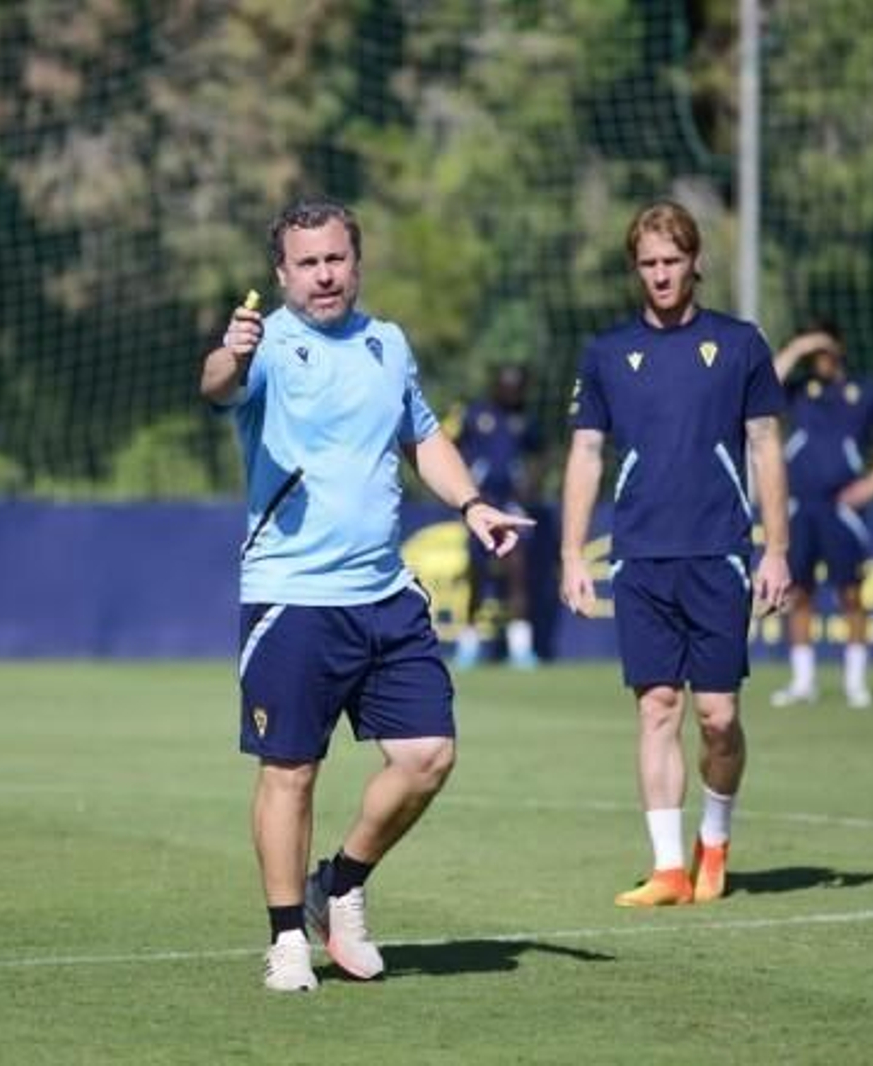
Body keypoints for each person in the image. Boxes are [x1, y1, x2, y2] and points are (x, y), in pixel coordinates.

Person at [200, 197, 535, 991]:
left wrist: (472, 502)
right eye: (307, 263)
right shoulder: (268, 346)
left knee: (427, 756)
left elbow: (423, 436)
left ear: (357, 261)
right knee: (292, 770)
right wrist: (230, 353)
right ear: (282, 273)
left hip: (386, 593)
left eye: (335, 259)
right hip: (294, 596)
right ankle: (288, 938)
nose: (324, 275)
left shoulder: (389, 344)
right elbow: (217, 388)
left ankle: (340, 883)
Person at [559, 200, 791, 907]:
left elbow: (766, 448)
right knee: (657, 706)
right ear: (635, 268)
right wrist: (572, 553)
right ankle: (667, 869)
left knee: (718, 716)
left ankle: (713, 841)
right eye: (648, 264)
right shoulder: (605, 354)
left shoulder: (741, 344)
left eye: (672, 261)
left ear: (695, 263)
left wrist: (776, 549)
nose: (660, 275)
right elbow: (586, 453)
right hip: (639, 558)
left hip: (719, 553)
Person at [769, 320, 873, 709]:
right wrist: (798, 347)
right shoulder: (798, 391)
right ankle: (803, 682)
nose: (821, 359)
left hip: (841, 507)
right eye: (815, 354)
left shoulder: (863, 392)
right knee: (797, 593)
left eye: (825, 350)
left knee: (851, 591)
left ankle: (856, 682)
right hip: (799, 505)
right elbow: (764, 383)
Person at [452, 363, 545, 669]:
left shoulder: (527, 421)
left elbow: (539, 456)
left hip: (511, 507)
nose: (513, 393)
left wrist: (529, 489)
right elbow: (453, 451)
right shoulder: (476, 415)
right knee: (477, 576)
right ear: (496, 387)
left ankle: (520, 649)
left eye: (518, 388)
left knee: (518, 573)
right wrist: (465, 490)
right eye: (508, 386)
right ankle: (468, 645)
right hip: (481, 505)